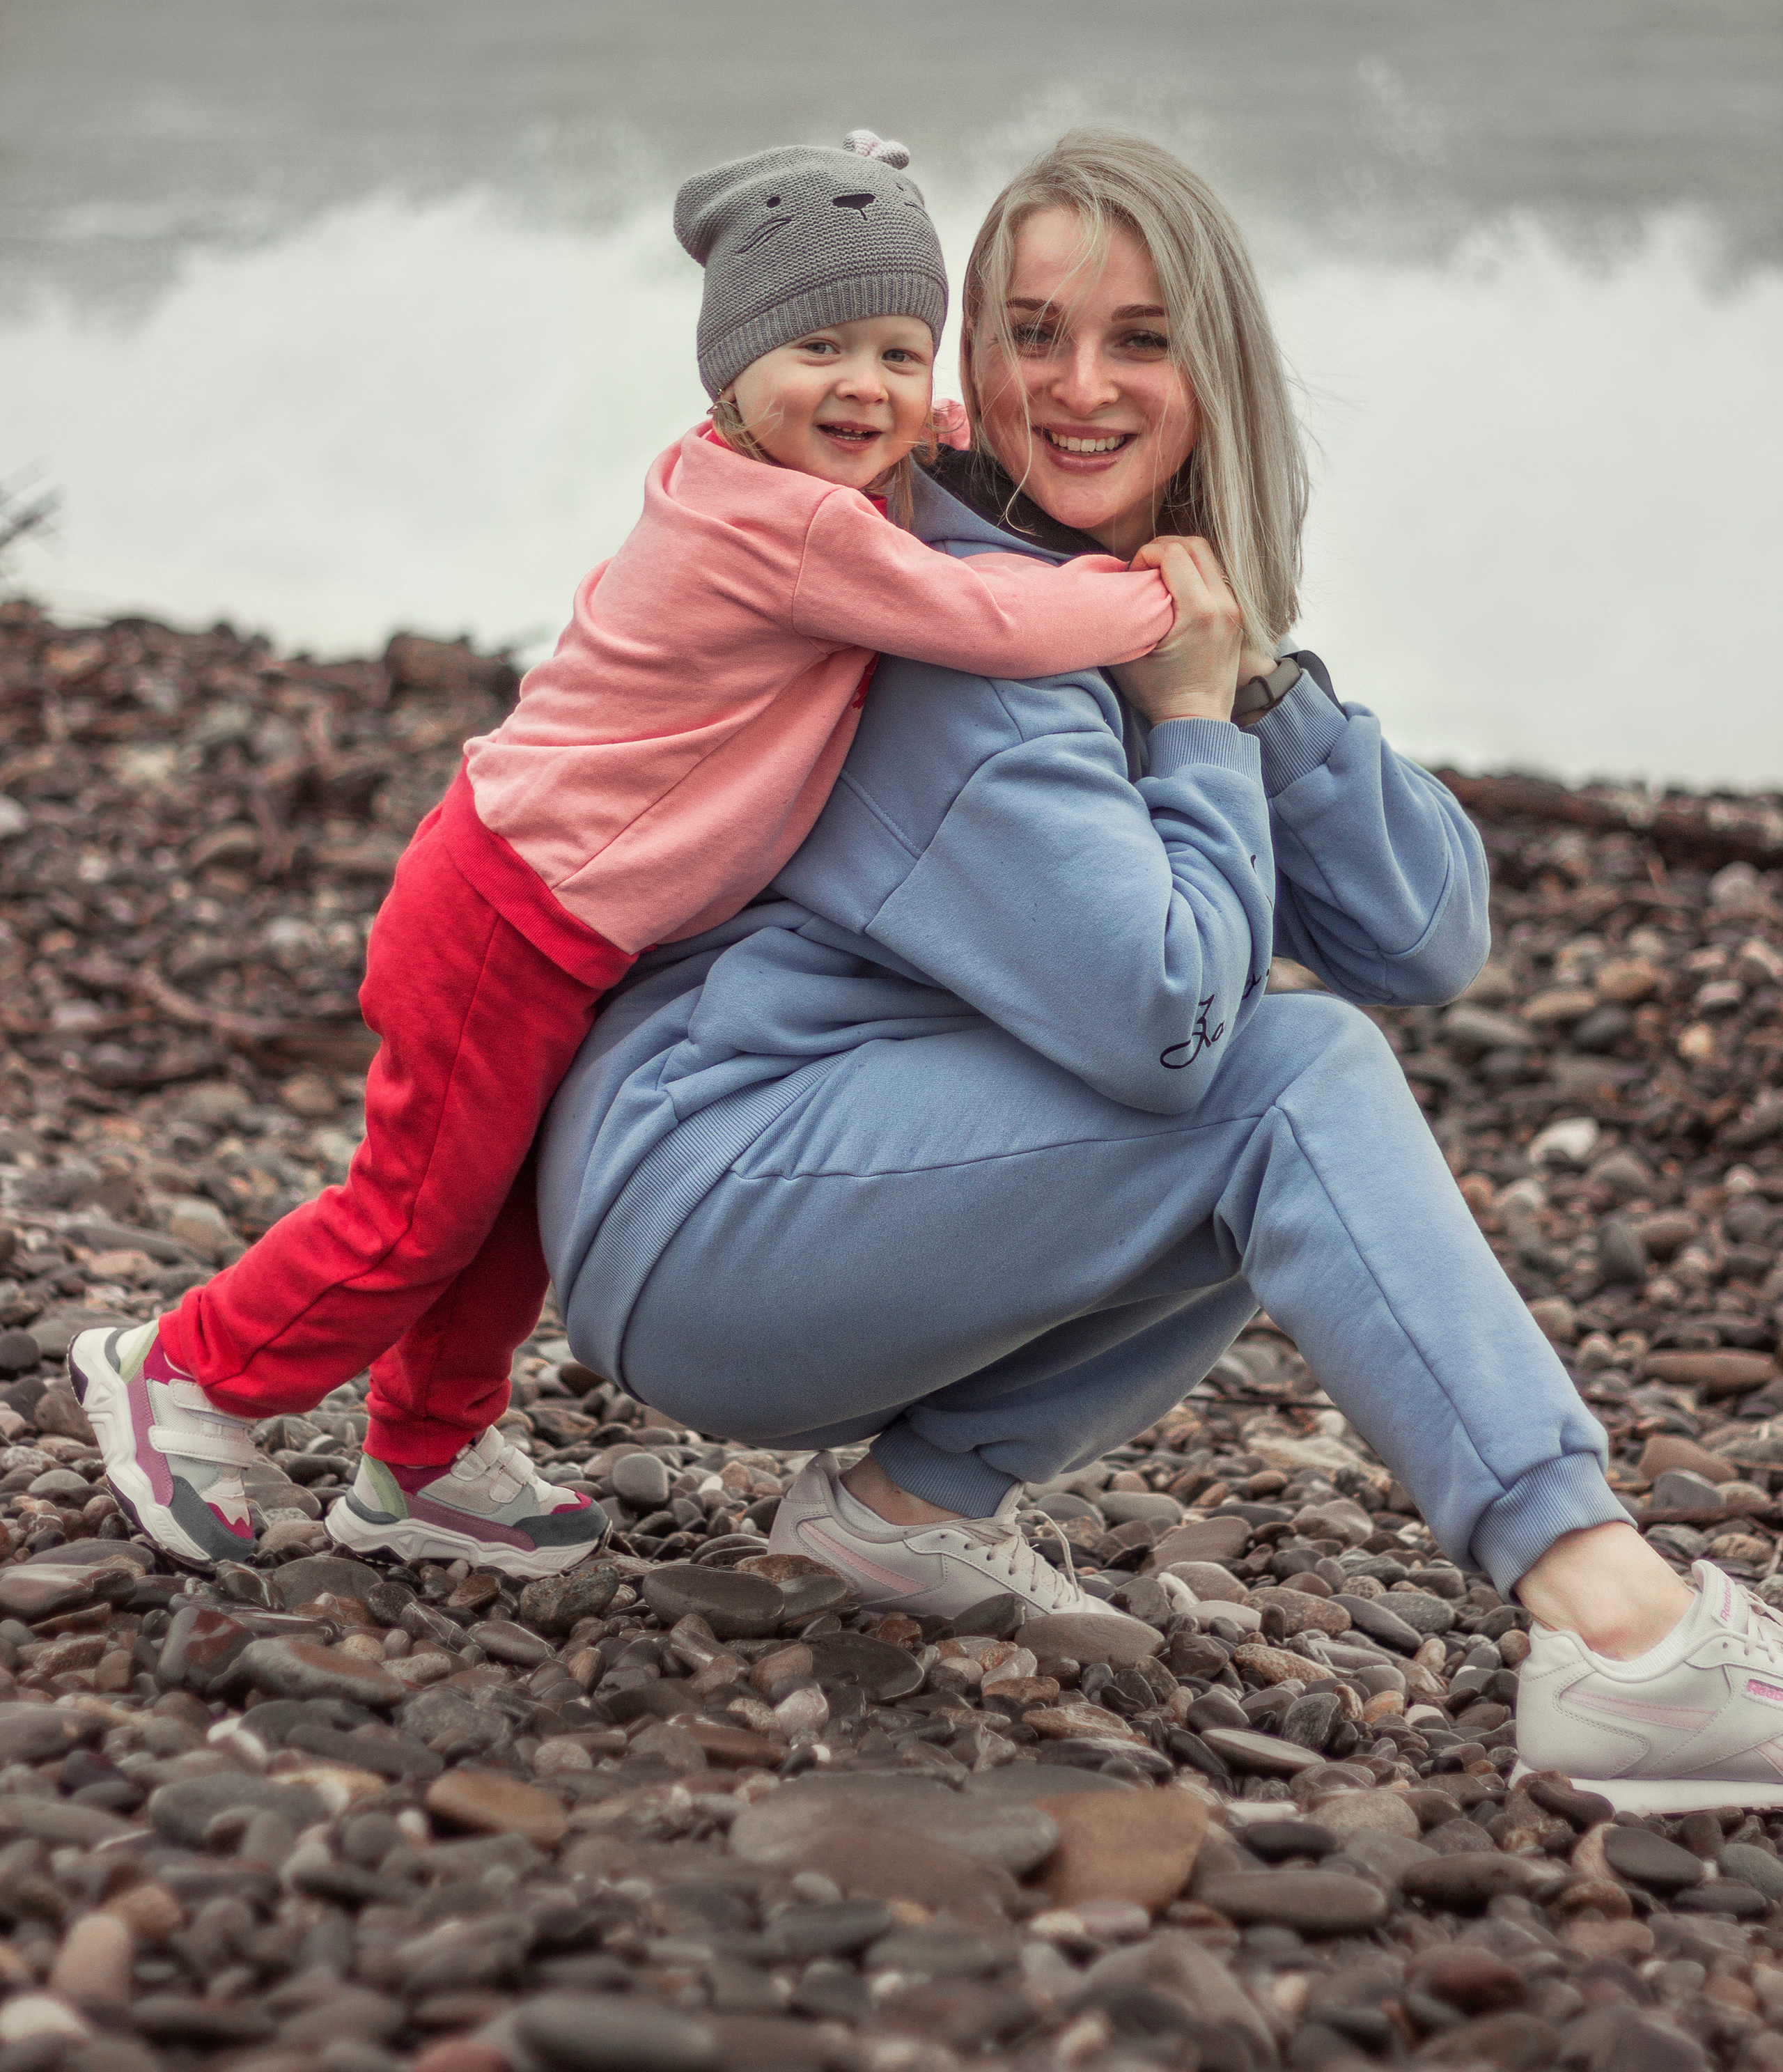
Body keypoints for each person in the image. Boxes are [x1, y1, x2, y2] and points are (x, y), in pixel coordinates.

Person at [538, 130, 1775, 1812]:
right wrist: (1193, 731)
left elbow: (1427, 937)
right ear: (970, 360)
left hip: (778, 1174)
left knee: (1286, 1102)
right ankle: (1621, 1634)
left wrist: (1250, 685)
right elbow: (1176, 1030)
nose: (1080, 386)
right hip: (702, 1194)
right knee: (1286, 1083)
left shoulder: (1098, 606)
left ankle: (900, 1519)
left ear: (1214, 368)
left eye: (1137, 337)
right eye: (1030, 333)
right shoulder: (961, 641)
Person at [72, 131, 1186, 1578]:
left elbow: (896, 436)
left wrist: (944, 420)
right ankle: (181, 1378)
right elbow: (988, 624)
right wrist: (1150, 604)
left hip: (554, 912)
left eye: (900, 355)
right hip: (507, 911)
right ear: (731, 371)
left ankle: (422, 1463)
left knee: (504, 1220)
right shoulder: (780, 526)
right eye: (819, 349)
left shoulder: (749, 473)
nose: (863, 387)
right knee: (413, 1217)